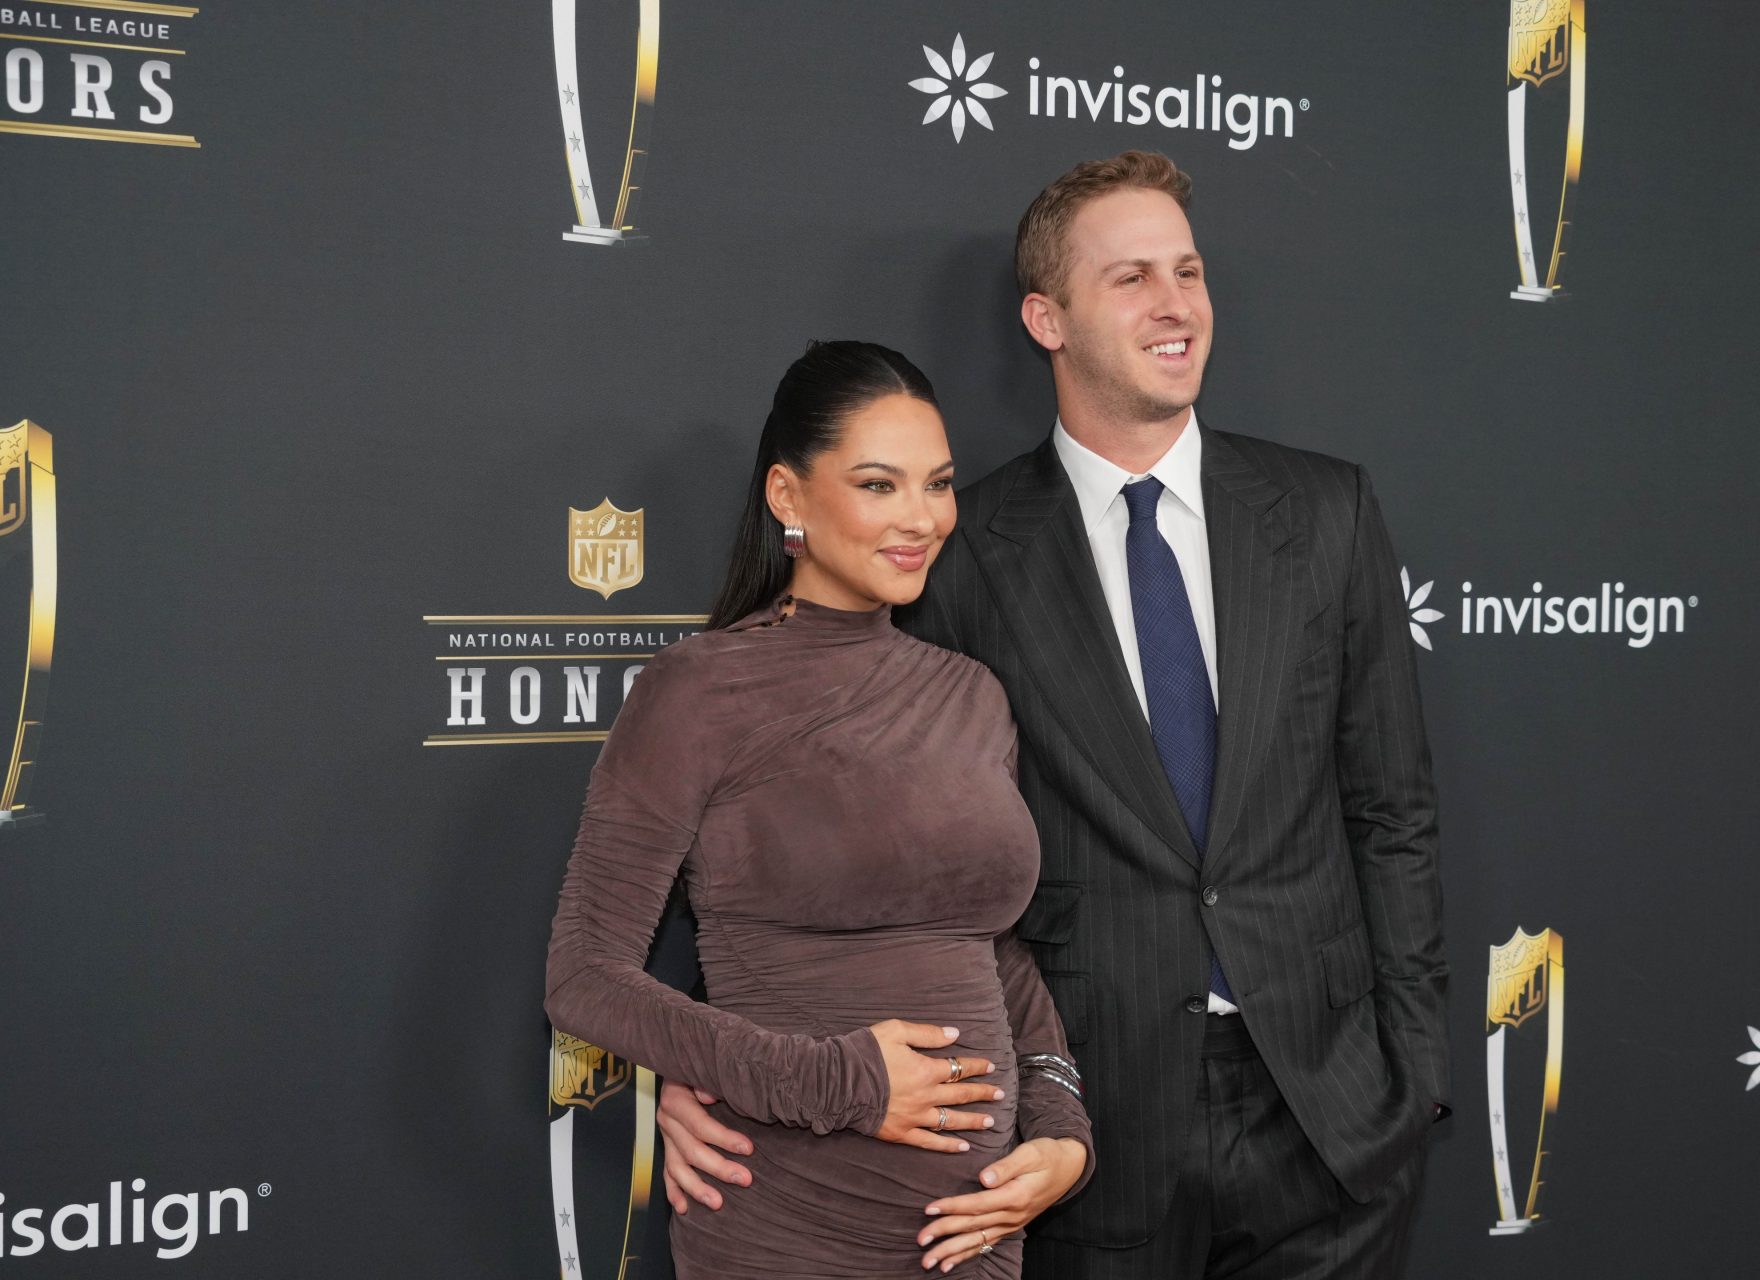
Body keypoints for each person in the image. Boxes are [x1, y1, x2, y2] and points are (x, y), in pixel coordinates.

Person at [657, 154, 1448, 1278]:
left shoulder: (1327, 513)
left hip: (1327, 1118)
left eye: (1188, 269)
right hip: (1079, 1129)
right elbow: (825, 840)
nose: (1176, 303)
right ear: (1047, 318)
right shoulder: (953, 550)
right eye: (1131, 277)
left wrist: (1412, 1075)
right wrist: (703, 1057)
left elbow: (1393, 811)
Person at [544, 340, 1093, 1279]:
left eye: (939, 484)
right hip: (788, 1222)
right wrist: (842, 1084)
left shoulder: (972, 696)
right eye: (879, 485)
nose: (921, 518)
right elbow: (584, 979)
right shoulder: (696, 691)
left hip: (978, 1234)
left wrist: (1062, 1131)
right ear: (789, 499)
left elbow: (991, 947)